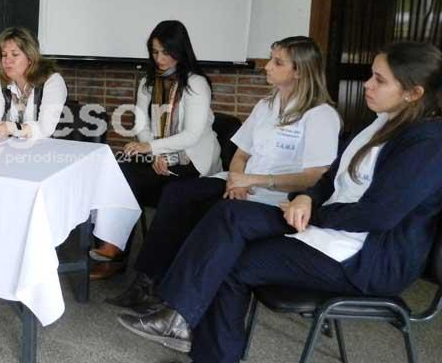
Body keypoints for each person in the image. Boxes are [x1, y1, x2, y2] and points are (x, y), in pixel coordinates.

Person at [118, 41, 442, 363]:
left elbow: (379, 214)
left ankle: (206, 356)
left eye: (379, 80)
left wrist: (312, 210)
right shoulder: (382, 123)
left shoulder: (426, 144)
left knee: (232, 256)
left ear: (413, 93)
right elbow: (331, 178)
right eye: (371, 76)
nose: (367, 84)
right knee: (229, 217)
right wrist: (308, 198)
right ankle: (182, 320)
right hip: (330, 228)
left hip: (368, 258)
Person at [108, 36, 340, 312]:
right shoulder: (266, 105)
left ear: (299, 71)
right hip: (241, 183)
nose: (267, 66)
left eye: (277, 62)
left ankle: (171, 297)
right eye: (270, 59)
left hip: (276, 196)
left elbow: (315, 177)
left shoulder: (321, 115)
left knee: (206, 211)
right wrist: (236, 181)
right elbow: (240, 154)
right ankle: (146, 283)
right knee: (177, 193)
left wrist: (253, 181)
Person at [90, 20, 222, 279]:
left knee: (164, 187)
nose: (159, 59)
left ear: (180, 50)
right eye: (154, 52)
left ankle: (143, 268)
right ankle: (112, 248)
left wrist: (151, 148)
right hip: (159, 154)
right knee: (119, 170)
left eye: (166, 52)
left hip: (193, 160)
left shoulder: (196, 83)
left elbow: (192, 135)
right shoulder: (147, 83)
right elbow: (142, 125)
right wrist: (155, 154)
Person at [0, 26, 66, 141]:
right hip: (14, 148)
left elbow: (45, 129)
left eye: (15, 54)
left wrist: (11, 128)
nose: (7, 61)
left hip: (53, 148)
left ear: (30, 58)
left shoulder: (53, 82)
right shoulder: (0, 83)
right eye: (4, 55)